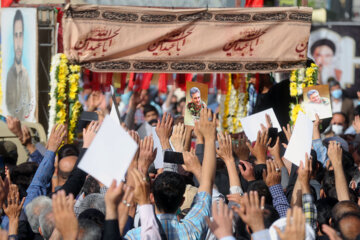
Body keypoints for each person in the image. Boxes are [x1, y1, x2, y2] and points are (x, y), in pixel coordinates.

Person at [6, 10, 33, 121]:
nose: (18, 42)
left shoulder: (27, 74)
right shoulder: (8, 74)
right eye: (15, 35)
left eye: (20, 35)